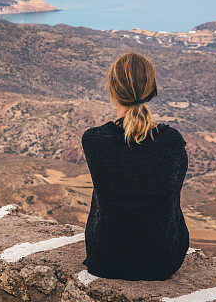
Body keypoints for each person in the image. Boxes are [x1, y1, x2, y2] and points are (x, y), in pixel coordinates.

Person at [81, 52, 189, 281]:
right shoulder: (172, 142)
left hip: (105, 257)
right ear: (151, 90)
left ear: (112, 88)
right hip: (163, 259)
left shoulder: (94, 141)